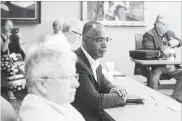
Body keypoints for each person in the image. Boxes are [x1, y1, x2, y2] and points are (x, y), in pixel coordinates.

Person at [71, 21, 127, 121]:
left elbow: (103, 83)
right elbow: (96, 101)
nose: (105, 45)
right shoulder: (78, 64)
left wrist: (114, 89)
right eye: (100, 40)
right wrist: (122, 98)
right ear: (85, 40)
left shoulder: (94, 61)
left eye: (107, 40)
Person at [18, 42, 85, 121]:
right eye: (68, 77)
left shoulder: (56, 101)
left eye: (74, 76)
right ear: (42, 84)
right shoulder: (39, 117)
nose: (76, 84)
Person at [142, 14, 182, 102]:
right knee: (154, 78)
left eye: (167, 25)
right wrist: (163, 52)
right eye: (164, 24)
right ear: (157, 23)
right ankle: (153, 100)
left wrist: (177, 42)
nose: (166, 27)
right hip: (156, 66)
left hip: (170, 65)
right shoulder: (149, 35)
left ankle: (176, 98)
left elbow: (180, 41)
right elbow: (149, 52)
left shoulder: (170, 33)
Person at [1, 19, 26, 101]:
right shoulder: (1, 37)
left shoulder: (15, 37)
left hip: (14, 59)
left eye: (11, 26)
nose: (10, 27)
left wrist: (19, 39)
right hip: (3, 60)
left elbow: (20, 49)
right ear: (2, 26)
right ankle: (9, 92)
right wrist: (8, 38)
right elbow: (3, 49)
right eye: (8, 25)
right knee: (13, 69)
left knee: (25, 67)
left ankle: (25, 91)